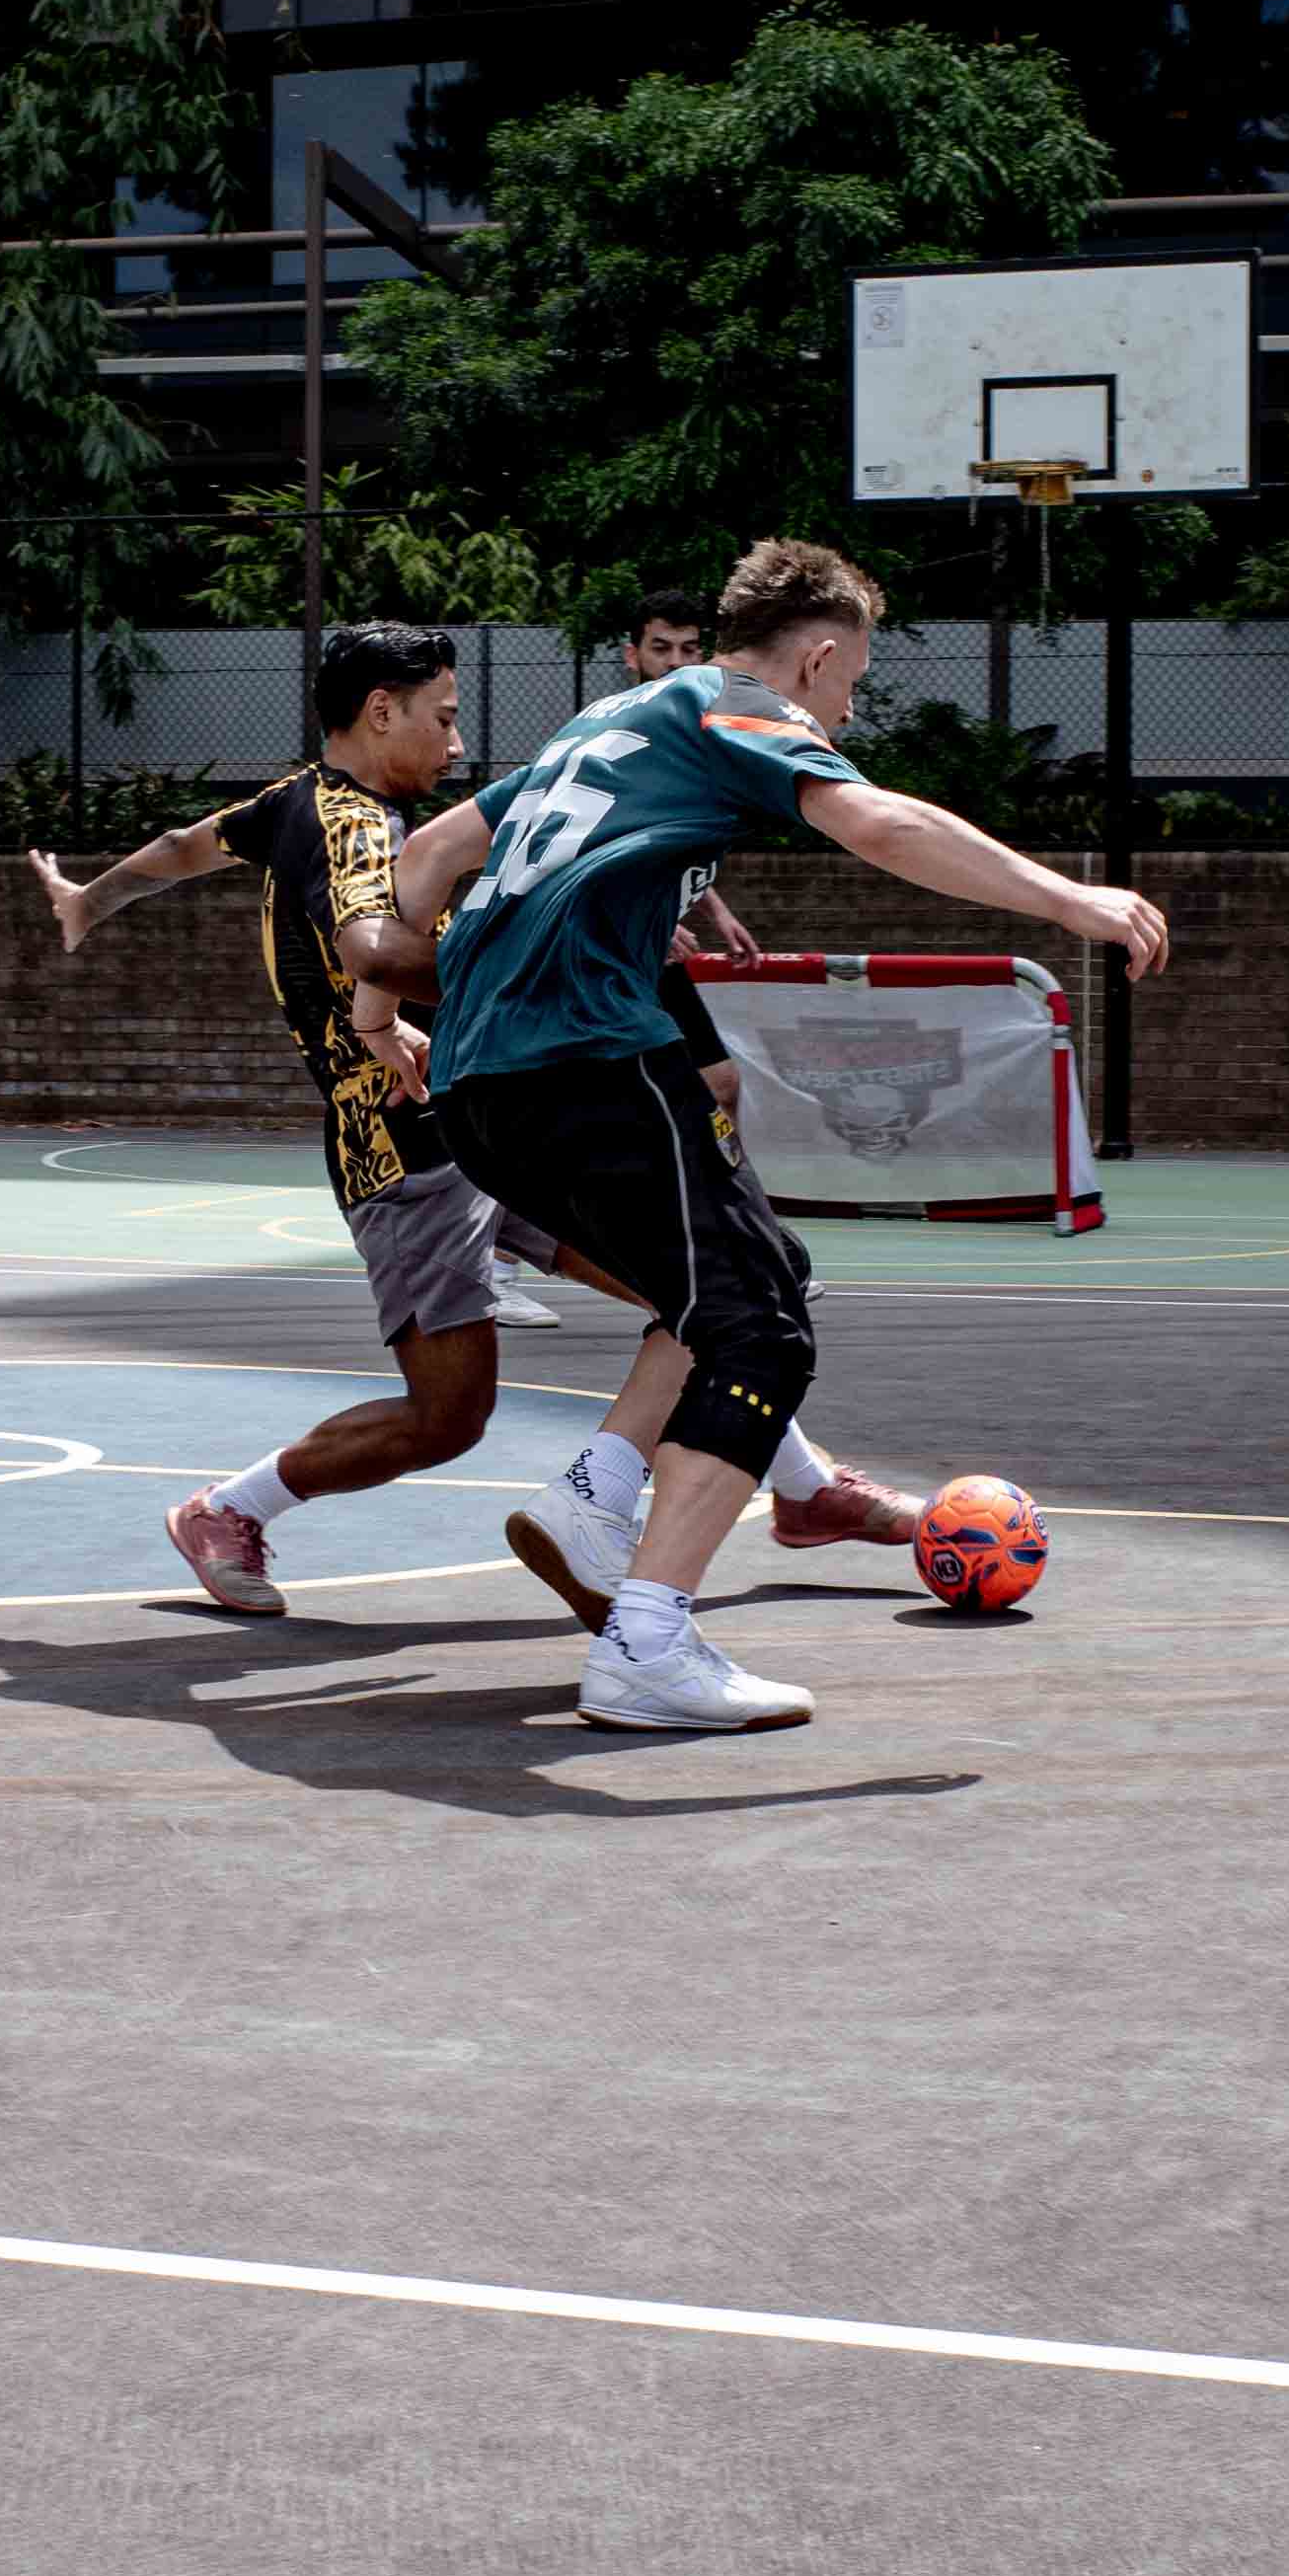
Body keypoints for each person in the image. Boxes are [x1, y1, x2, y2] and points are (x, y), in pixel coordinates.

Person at [400, 537, 1165, 1731]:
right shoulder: (736, 702)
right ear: (814, 656)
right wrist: (1071, 900)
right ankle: (648, 1641)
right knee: (762, 1330)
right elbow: (881, 825)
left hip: (480, 1088)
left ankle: (593, 1496)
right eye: (850, 685)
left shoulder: (610, 715)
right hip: (587, 1061)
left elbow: (430, 852)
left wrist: (410, 982)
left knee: (738, 1288)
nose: (845, 711)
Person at [22, 627, 608, 1608]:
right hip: (407, 1142)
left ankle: (807, 1490)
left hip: (488, 1117)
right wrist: (538, 969)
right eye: (445, 716)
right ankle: (230, 1508)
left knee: (696, 1291)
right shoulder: (354, 827)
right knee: (448, 1418)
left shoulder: (287, 801)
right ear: (383, 710)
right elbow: (371, 951)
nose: (458, 744)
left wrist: (91, 897)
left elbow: (182, 848)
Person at [620, 585, 773, 1120]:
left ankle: (707, 1201)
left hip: (644, 942)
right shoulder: (614, 738)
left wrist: (716, 910)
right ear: (632, 655)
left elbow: (677, 843)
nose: (676, 663)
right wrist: (652, 923)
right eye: (662, 649)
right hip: (604, 947)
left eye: (689, 649)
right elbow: (576, 854)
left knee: (719, 1084)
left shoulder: (693, 736)